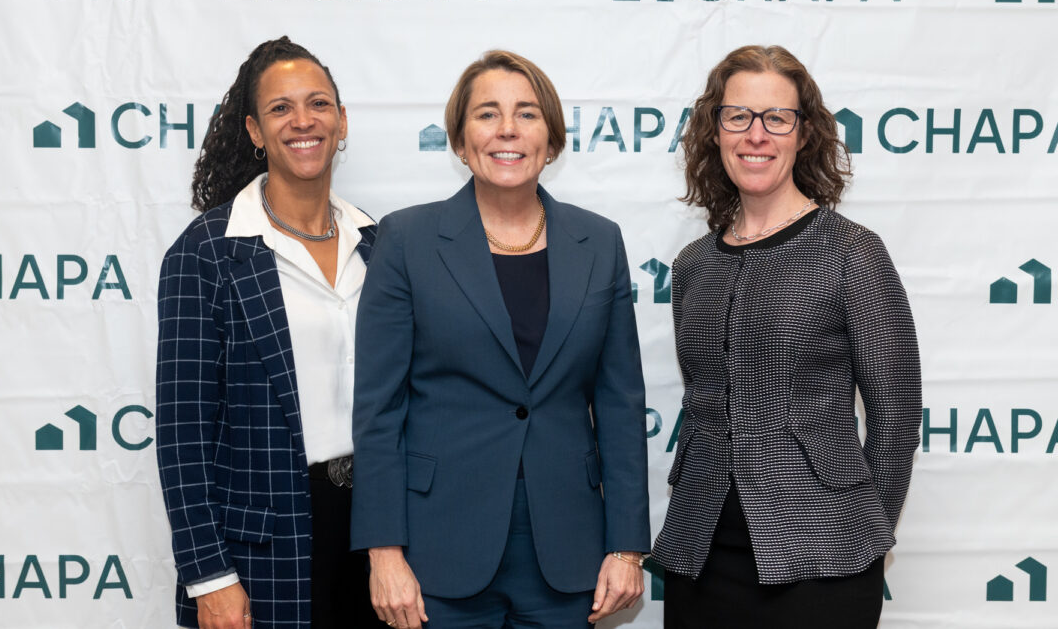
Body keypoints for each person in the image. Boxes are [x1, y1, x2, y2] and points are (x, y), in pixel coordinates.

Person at [350, 50, 650, 629]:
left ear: (552, 140)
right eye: (487, 114)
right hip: (436, 551)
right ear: (461, 142)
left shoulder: (601, 242)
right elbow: (379, 410)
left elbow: (619, 403)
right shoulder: (407, 240)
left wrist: (626, 546)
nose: (507, 129)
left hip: (568, 548)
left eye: (527, 114)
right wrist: (383, 552)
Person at [651, 45, 922, 628]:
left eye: (777, 118)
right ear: (714, 131)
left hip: (826, 557)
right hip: (699, 554)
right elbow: (703, 402)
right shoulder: (692, 265)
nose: (757, 134)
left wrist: (868, 527)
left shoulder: (853, 251)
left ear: (804, 135)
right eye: (738, 116)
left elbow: (896, 414)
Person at [155, 36, 385, 629]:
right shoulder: (207, 251)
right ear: (255, 131)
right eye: (281, 108)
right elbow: (183, 434)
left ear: (342, 123)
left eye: (319, 104)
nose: (303, 121)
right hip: (261, 547)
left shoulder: (379, 245)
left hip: (378, 532)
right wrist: (208, 575)